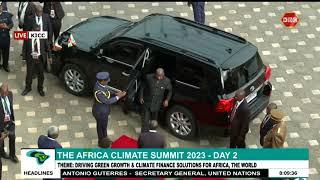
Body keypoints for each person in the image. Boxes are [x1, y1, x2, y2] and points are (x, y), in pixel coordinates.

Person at [92, 72, 126, 147]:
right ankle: (101, 142)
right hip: (100, 112)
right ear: (102, 81)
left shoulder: (101, 85)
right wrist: (119, 97)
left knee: (103, 126)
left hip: (103, 111)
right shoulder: (98, 92)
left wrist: (115, 93)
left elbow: (107, 91)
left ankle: (105, 139)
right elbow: (107, 101)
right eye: (107, 80)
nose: (109, 80)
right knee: (101, 127)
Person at [21, 23, 52, 97]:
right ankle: (28, 88)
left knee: (41, 75)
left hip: (40, 59)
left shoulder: (43, 37)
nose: (37, 33)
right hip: (31, 59)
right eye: (36, 31)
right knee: (29, 75)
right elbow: (24, 48)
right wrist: (24, 58)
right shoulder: (28, 37)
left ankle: (40, 89)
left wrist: (50, 57)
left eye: (39, 31)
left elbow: (48, 47)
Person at [139, 68, 172, 133]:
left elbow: (170, 91)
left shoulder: (167, 81)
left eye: (161, 76)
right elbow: (142, 87)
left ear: (163, 74)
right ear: (155, 74)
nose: (159, 78)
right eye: (158, 76)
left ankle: (152, 134)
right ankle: (143, 135)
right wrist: (141, 97)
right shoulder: (148, 77)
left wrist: (167, 100)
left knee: (154, 122)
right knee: (145, 121)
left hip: (157, 104)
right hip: (147, 102)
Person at [31, 5, 53, 72]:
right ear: (35, 11)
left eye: (41, 12)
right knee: (35, 54)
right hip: (35, 39)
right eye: (38, 12)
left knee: (44, 53)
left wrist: (49, 40)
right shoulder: (31, 18)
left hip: (44, 39)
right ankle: (35, 70)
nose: (40, 13)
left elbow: (50, 29)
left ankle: (45, 66)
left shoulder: (46, 16)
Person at [0, 83, 18, 163]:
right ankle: (2, 153)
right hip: (1, 124)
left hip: (9, 122)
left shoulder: (10, 94)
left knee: (13, 137)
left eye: (5, 93)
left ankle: (12, 155)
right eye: (2, 93)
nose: (4, 95)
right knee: (2, 139)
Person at [0, 3, 13, 72]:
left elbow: (11, 24)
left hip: (5, 37)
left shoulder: (7, 14)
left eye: (0, 7)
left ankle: (5, 65)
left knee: (6, 53)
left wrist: (7, 27)